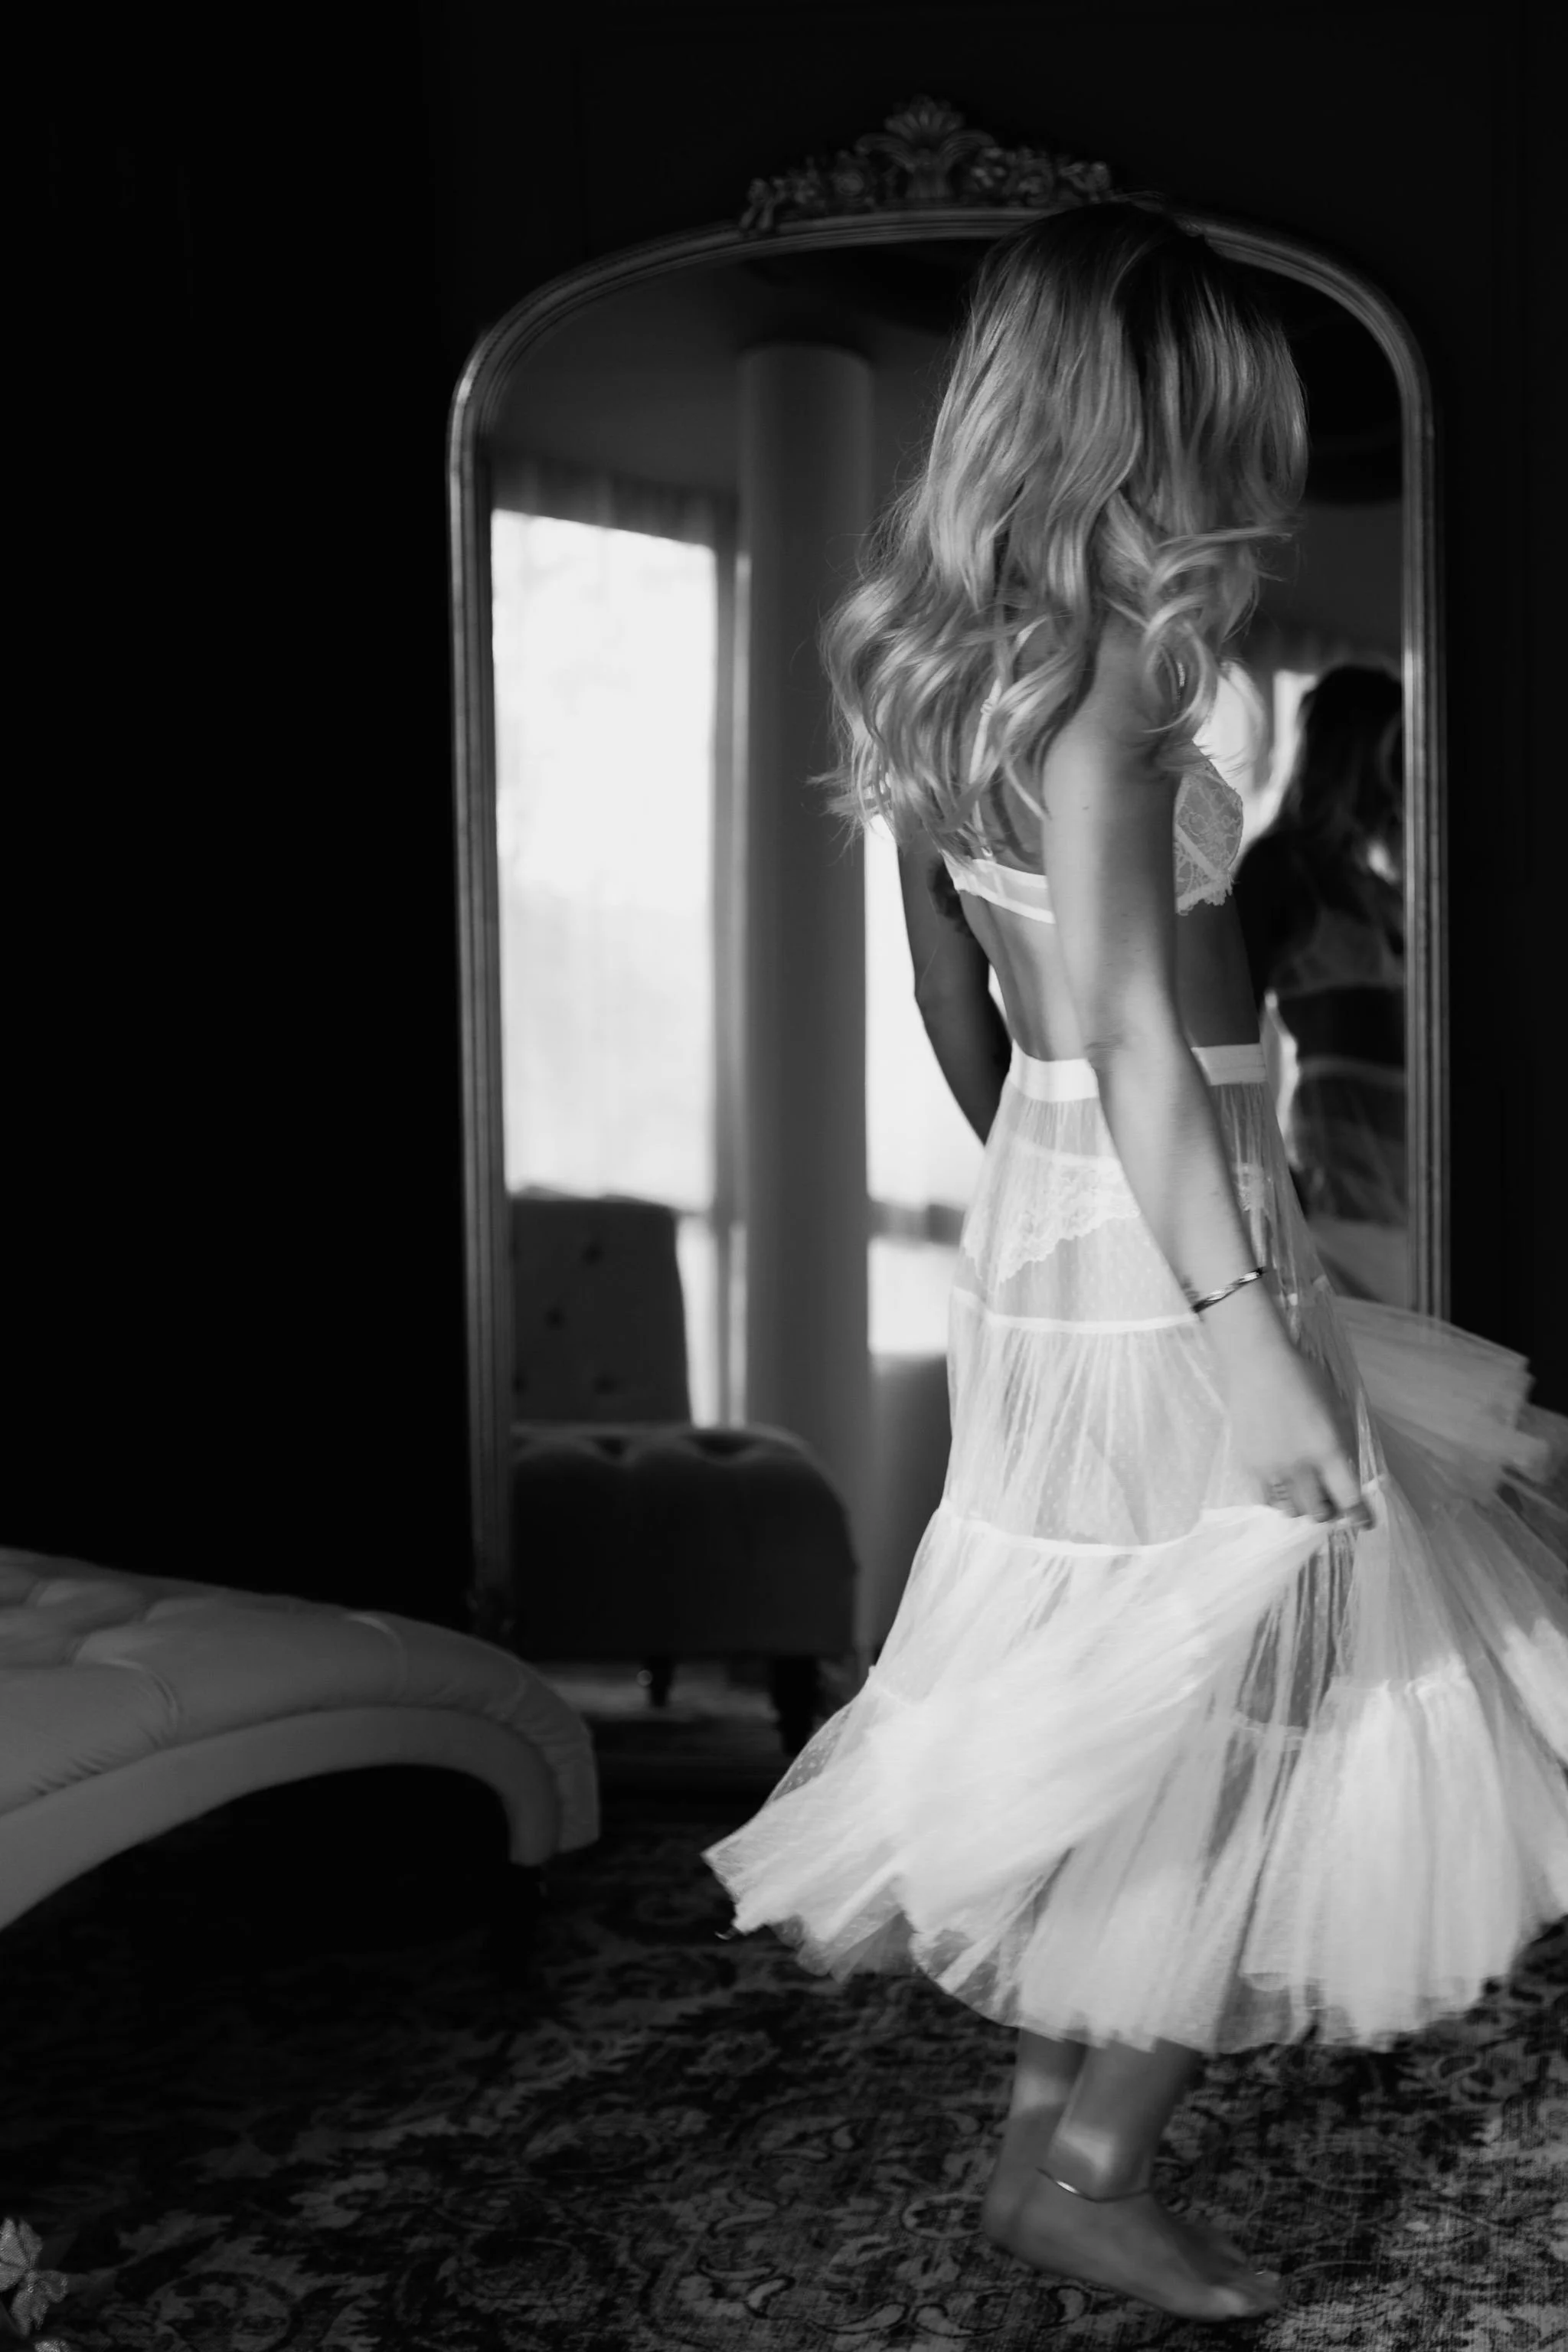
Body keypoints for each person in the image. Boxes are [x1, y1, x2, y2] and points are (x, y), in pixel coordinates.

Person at [704, 201, 1568, 2324]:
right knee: (1265, 1689)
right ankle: (1095, 2154)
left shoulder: (944, 641)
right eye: (1222, 426)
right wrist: (1242, 1335)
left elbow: (959, 1006)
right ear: (1142, 421)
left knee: (1128, 1679)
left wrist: (1050, 1198)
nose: (1243, 477)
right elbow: (1131, 1031)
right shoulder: (1115, 666)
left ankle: (1035, 2157)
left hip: (1068, 1208)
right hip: (1178, 1220)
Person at [1234, 665, 1410, 1304]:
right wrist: (1273, 1176)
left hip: (1415, 1195)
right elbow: (1230, 1041)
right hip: (1340, 1192)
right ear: (1360, 754)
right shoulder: (1279, 869)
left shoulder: (1388, 892)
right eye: (1400, 750)